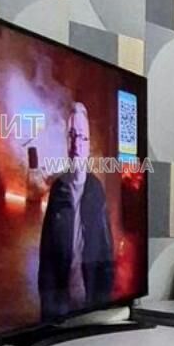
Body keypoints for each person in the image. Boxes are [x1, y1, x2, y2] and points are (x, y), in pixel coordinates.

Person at [38, 103, 114, 321]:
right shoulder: (58, 189)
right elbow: (47, 258)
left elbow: (106, 255)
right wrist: (48, 314)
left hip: (91, 307)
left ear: (89, 144)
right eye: (71, 136)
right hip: (61, 309)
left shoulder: (96, 190)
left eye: (81, 137)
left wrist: (103, 307)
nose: (76, 144)